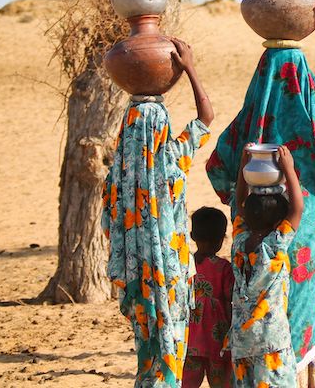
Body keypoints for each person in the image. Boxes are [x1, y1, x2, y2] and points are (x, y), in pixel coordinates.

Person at [206, 0, 315, 387]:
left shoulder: (248, 118)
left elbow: (220, 166)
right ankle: (306, 375)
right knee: (303, 299)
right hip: (304, 218)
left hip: (254, 215)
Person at [102, 38, 215, 386]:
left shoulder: (116, 175)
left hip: (137, 274)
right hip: (171, 273)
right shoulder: (173, 158)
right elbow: (206, 118)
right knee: (171, 351)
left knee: (147, 351)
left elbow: (110, 223)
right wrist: (190, 68)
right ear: (163, 127)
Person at [230, 143, 304, 388]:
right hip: (272, 339)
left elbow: (239, 202)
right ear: (278, 222)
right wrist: (289, 170)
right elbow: (298, 208)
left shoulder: (239, 242)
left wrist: (243, 167)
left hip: (242, 340)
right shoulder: (276, 244)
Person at [184, 207, 234, 388]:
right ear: (222, 238)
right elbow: (231, 295)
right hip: (218, 339)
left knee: (186, 382)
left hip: (189, 338)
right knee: (222, 382)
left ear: (192, 235)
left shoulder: (185, 265)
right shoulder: (223, 267)